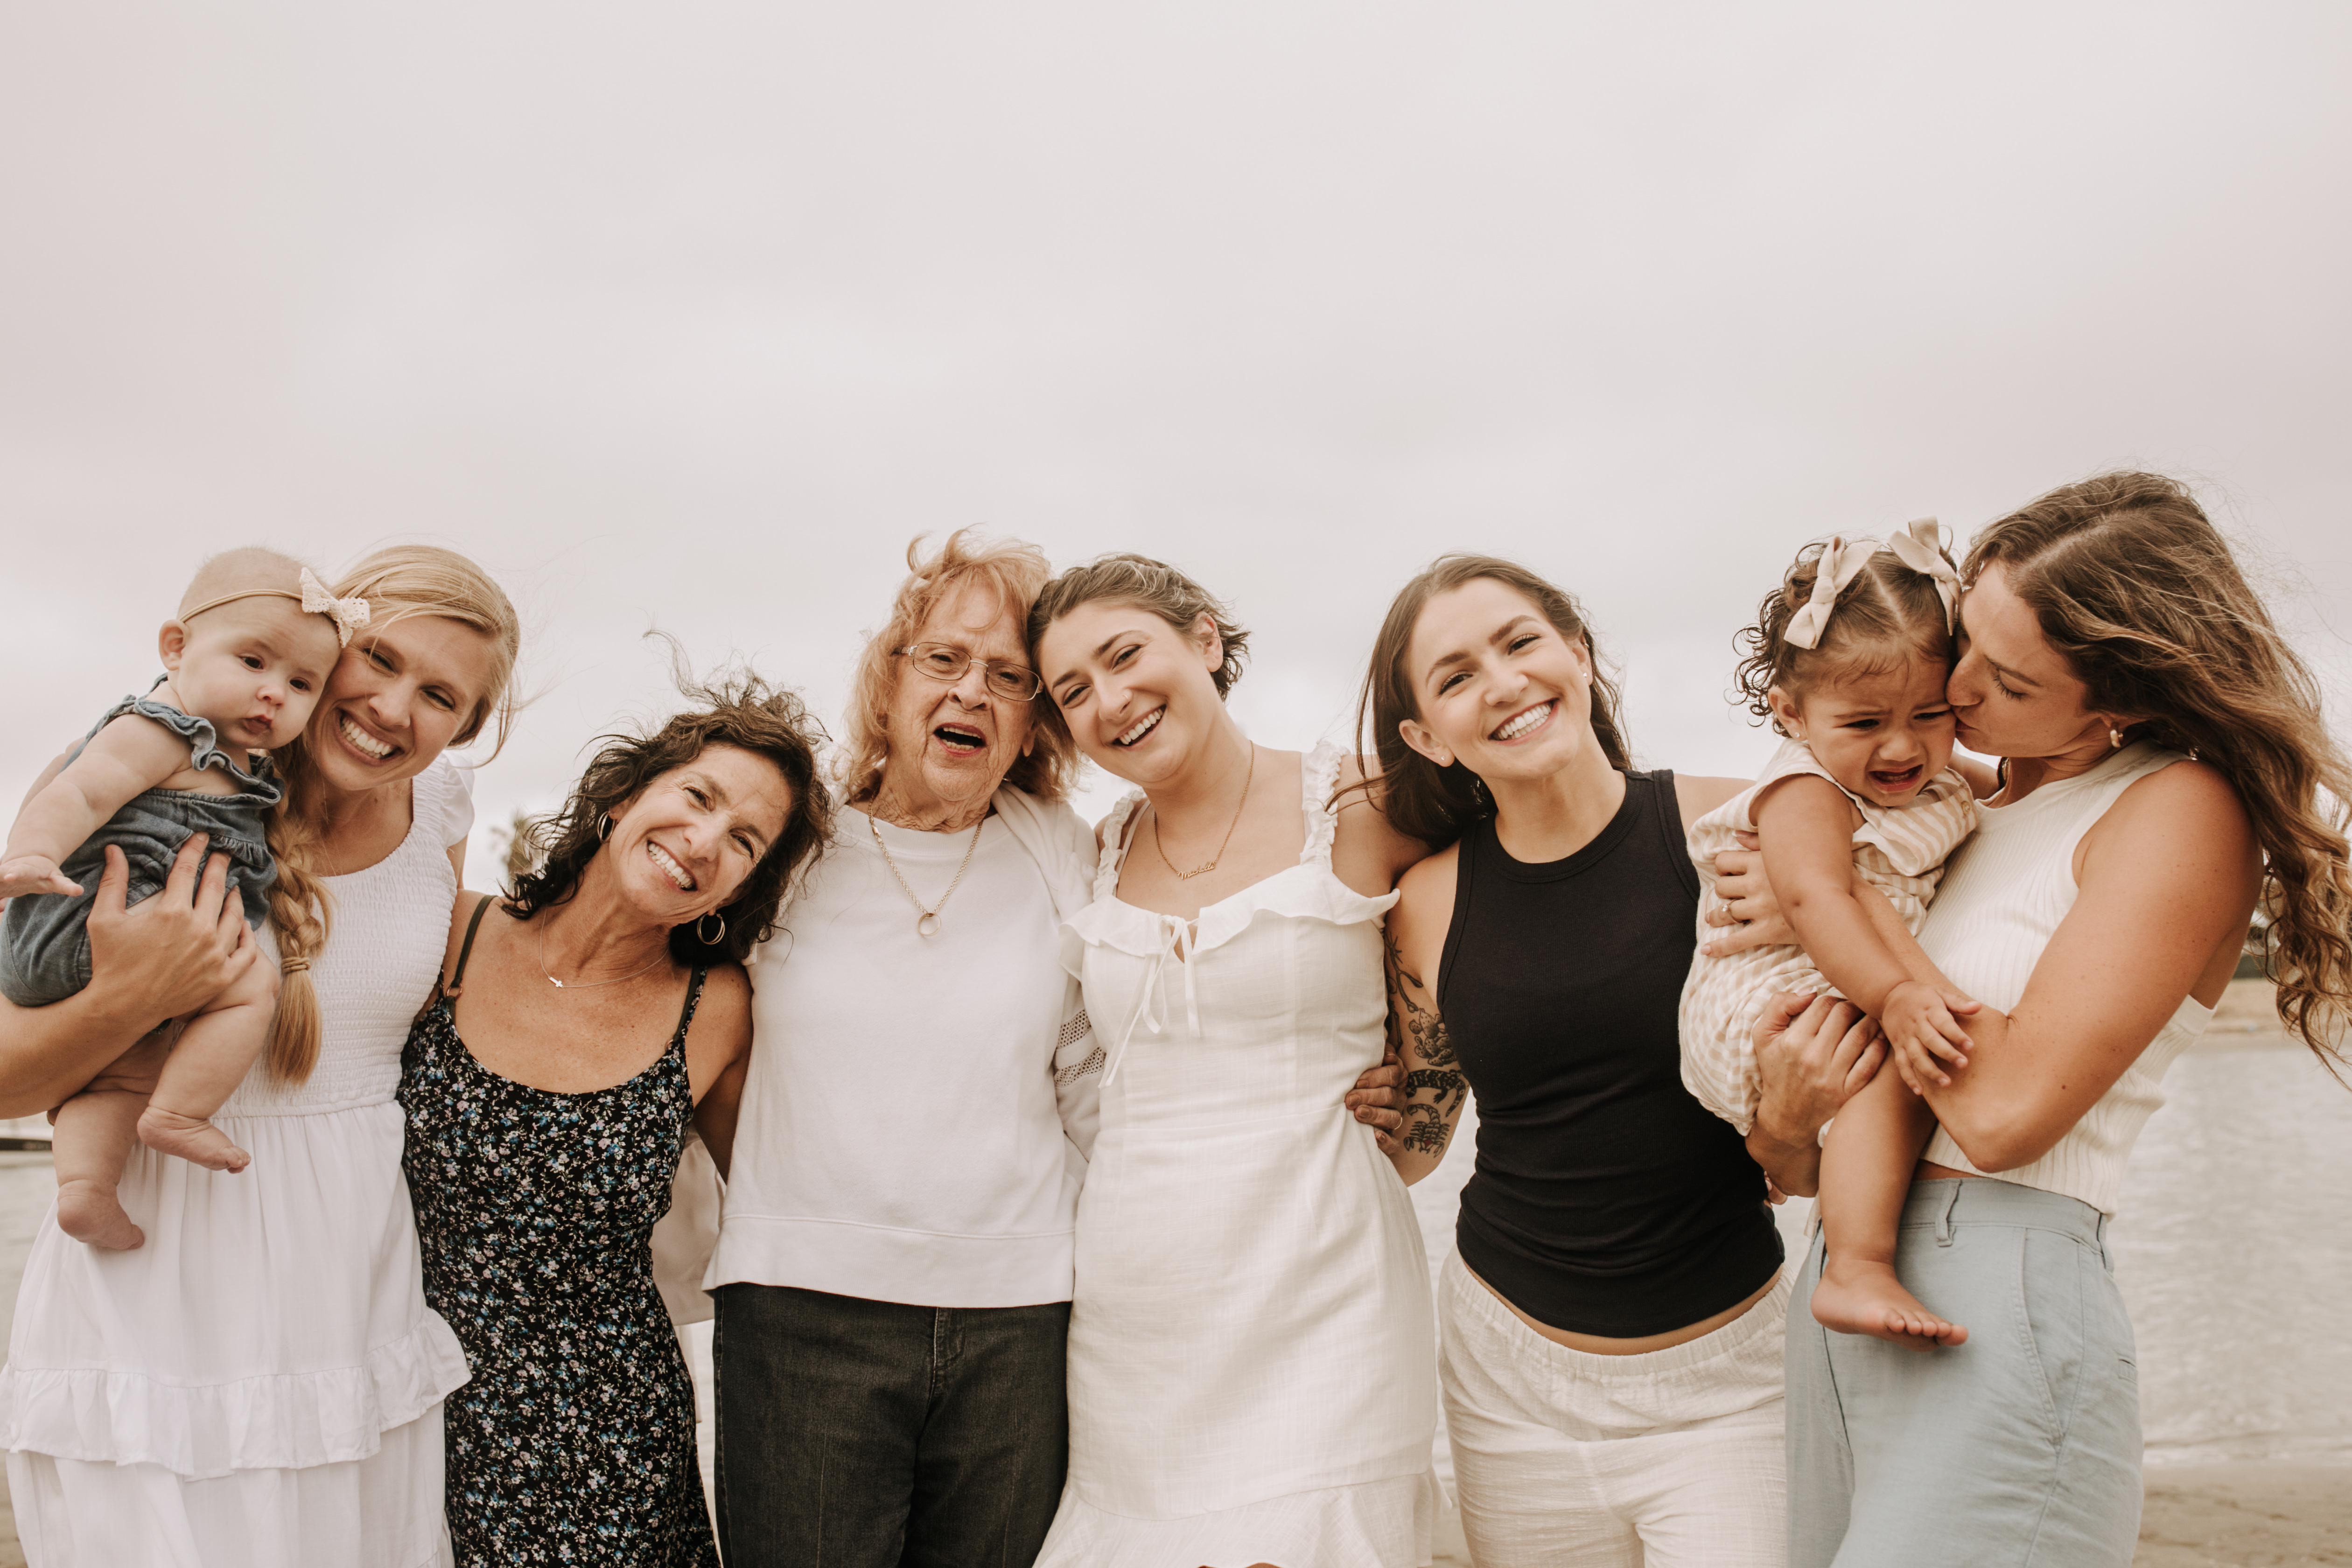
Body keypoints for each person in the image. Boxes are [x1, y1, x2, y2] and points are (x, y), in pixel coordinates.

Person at [1741, 473, 2352, 1568]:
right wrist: (1786, 1127)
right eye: (1965, 637)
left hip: (1999, 1298)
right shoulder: (1948, 809)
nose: (1956, 685)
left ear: (2124, 701)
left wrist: (1847, 915)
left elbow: (2009, 1112)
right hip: (1843, 1278)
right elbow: (1799, 1148)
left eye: (2009, 680)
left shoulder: (2176, 808)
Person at [0, 544, 520, 1567]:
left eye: (442, 696)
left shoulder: (444, 818)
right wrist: (132, 996)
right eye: (378, 661)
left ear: (467, 728)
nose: (392, 708)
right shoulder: (154, 770)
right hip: (153, 1249)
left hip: (350, 1273)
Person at [1366, 553, 1876, 1568]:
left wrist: (1814, 896)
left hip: (1730, 1374)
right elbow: (1423, 1140)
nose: (1503, 683)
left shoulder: (1750, 827)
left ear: (1578, 653)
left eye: (1520, 643)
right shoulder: (1428, 899)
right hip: (1508, 1381)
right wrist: (1371, 1109)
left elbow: (1956, 800)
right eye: (1457, 676)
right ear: (1428, 736)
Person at [1028, 554, 1440, 1568]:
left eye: (1126, 656)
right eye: (1073, 691)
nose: (1109, 700)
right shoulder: (1095, 850)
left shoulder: (1365, 804)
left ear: (1205, 640)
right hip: (1138, 1312)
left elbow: (1524, 884)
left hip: (1325, 1287)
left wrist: (1436, 1087)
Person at [401, 667, 832, 1568]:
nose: (704, 839)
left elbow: (787, 1204)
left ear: (741, 888)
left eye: (745, 840)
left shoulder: (717, 1008)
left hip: (612, 1440)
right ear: (626, 792)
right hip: (404, 1398)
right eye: (698, 796)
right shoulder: (450, 933)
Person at [1678, 521, 1984, 1348]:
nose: (1902, 745)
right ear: (1791, 713)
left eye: (1932, 713)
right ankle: (1855, 1264)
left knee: (1900, 1076)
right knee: (1899, 1071)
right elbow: (1817, 903)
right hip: (1769, 995)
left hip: (1838, 972)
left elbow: (2013, 793)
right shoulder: (1805, 791)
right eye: (1863, 723)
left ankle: (1818, 1194)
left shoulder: (1938, 772)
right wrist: (1894, 995)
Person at [2, 548, 352, 1246]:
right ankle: (180, 1114)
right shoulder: (164, 729)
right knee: (250, 980)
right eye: (252, 663)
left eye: (302, 684)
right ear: (177, 648)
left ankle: (85, 1189)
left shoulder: (239, 759)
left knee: (118, 1075)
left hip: (93, 951)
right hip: (89, 921)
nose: (274, 693)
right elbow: (79, 789)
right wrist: (28, 857)